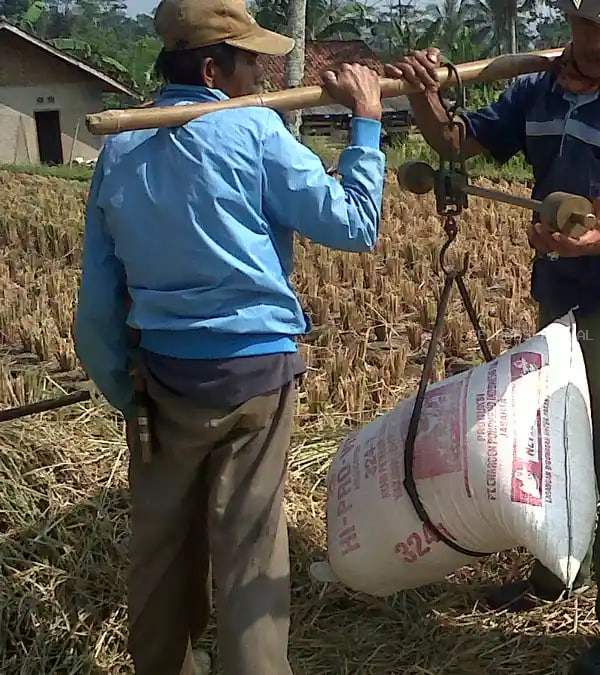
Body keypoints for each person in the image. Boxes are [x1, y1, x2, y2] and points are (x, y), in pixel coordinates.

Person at [72, 0, 387, 671]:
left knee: (160, 551)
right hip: (254, 379)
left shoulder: (121, 148)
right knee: (249, 554)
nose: (262, 76)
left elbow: (97, 306)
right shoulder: (254, 131)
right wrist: (366, 121)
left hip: (161, 381)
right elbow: (355, 223)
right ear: (213, 69)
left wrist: (130, 396)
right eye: (250, 62)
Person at [388, 1, 600, 671]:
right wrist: (425, 96)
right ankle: (557, 572)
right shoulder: (537, 91)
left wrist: (595, 240)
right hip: (557, 295)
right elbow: (458, 143)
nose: (597, 42)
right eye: (585, 25)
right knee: (554, 446)